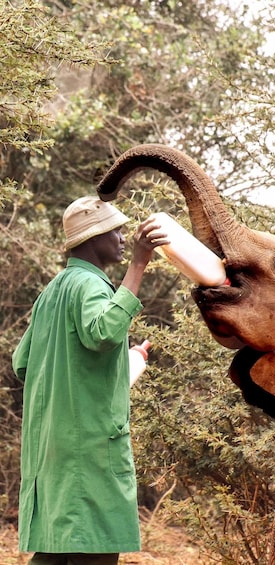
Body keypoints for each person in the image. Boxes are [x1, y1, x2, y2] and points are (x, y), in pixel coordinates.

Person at [12, 196, 168, 565]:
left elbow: (24, 364)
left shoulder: (51, 292)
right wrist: (139, 263)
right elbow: (102, 333)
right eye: (114, 230)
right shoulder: (91, 286)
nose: (122, 237)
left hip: (53, 449)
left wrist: (125, 364)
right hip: (90, 450)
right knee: (94, 547)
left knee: (54, 551)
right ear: (91, 237)